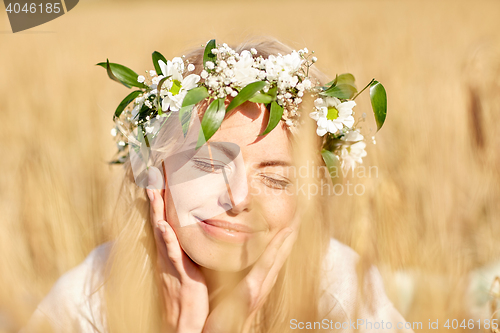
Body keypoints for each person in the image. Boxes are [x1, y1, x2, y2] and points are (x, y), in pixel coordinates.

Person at [24, 38, 414, 333]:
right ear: (154, 169)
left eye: (277, 178)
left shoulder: (341, 291)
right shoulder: (86, 301)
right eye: (209, 164)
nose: (240, 198)